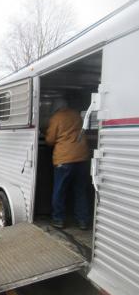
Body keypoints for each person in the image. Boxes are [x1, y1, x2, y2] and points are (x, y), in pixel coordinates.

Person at [45, 97, 90, 230]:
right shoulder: (76, 115)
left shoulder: (56, 118)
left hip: (64, 159)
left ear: (55, 107)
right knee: (80, 190)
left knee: (60, 190)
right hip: (82, 157)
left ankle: (58, 219)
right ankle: (83, 220)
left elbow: (50, 140)